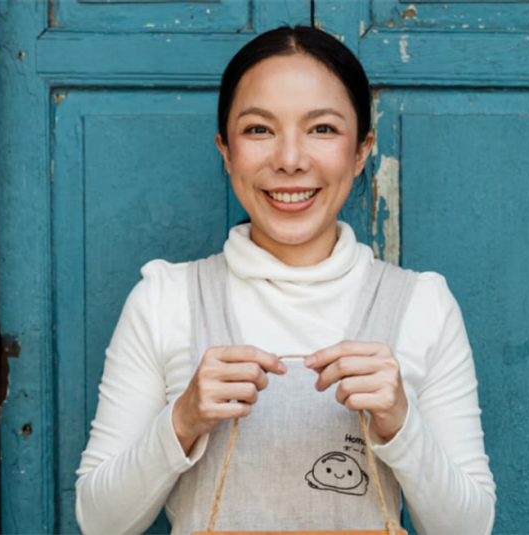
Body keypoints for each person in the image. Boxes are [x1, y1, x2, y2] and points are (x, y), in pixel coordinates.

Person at [74, 25, 496, 535]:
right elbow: (100, 524)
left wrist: (402, 423)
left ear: (362, 151)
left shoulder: (422, 304)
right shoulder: (165, 300)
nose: (290, 160)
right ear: (225, 150)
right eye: (259, 130)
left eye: (322, 129)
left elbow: (469, 528)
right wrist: (183, 420)